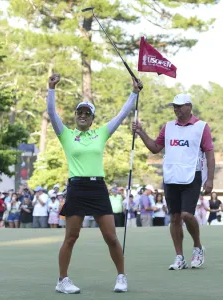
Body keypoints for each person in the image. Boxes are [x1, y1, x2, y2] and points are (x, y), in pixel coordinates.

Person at [47, 73, 143, 293]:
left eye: (86, 113)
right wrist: (51, 88)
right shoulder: (66, 135)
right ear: (75, 116)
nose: (82, 115)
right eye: (79, 112)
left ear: (92, 118)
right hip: (77, 188)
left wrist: (133, 93)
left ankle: (121, 277)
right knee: (71, 237)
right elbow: (51, 113)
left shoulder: (100, 133)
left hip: (98, 188)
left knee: (110, 235)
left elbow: (121, 116)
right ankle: (62, 280)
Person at [133, 93, 215, 270]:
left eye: (179, 106)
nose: (176, 109)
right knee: (175, 217)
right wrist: (140, 132)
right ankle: (179, 256)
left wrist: (210, 179)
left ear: (189, 106)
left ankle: (198, 247)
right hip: (171, 177)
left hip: (192, 176)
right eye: (174, 106)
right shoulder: (168, 127)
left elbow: (209, 152)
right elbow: (155, 148)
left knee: (187, 215)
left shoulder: (202, 127)